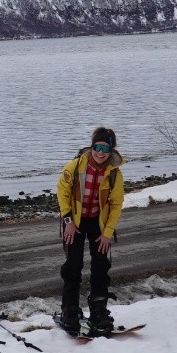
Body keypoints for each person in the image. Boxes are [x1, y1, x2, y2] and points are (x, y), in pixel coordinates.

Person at [56, 126, 125, 336]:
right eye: (98, 147)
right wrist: (68, 221)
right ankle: (70, 310)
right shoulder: (74, 167)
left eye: (106, 148)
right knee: (73, 267)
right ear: (92, 146)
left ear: (112, 150)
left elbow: (116, 204)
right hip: (74, 223)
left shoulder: (114, 174)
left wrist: (107, 233)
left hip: (98, 224)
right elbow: (62, 193)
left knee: (101, 267)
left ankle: (98, 310)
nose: (101, 153)